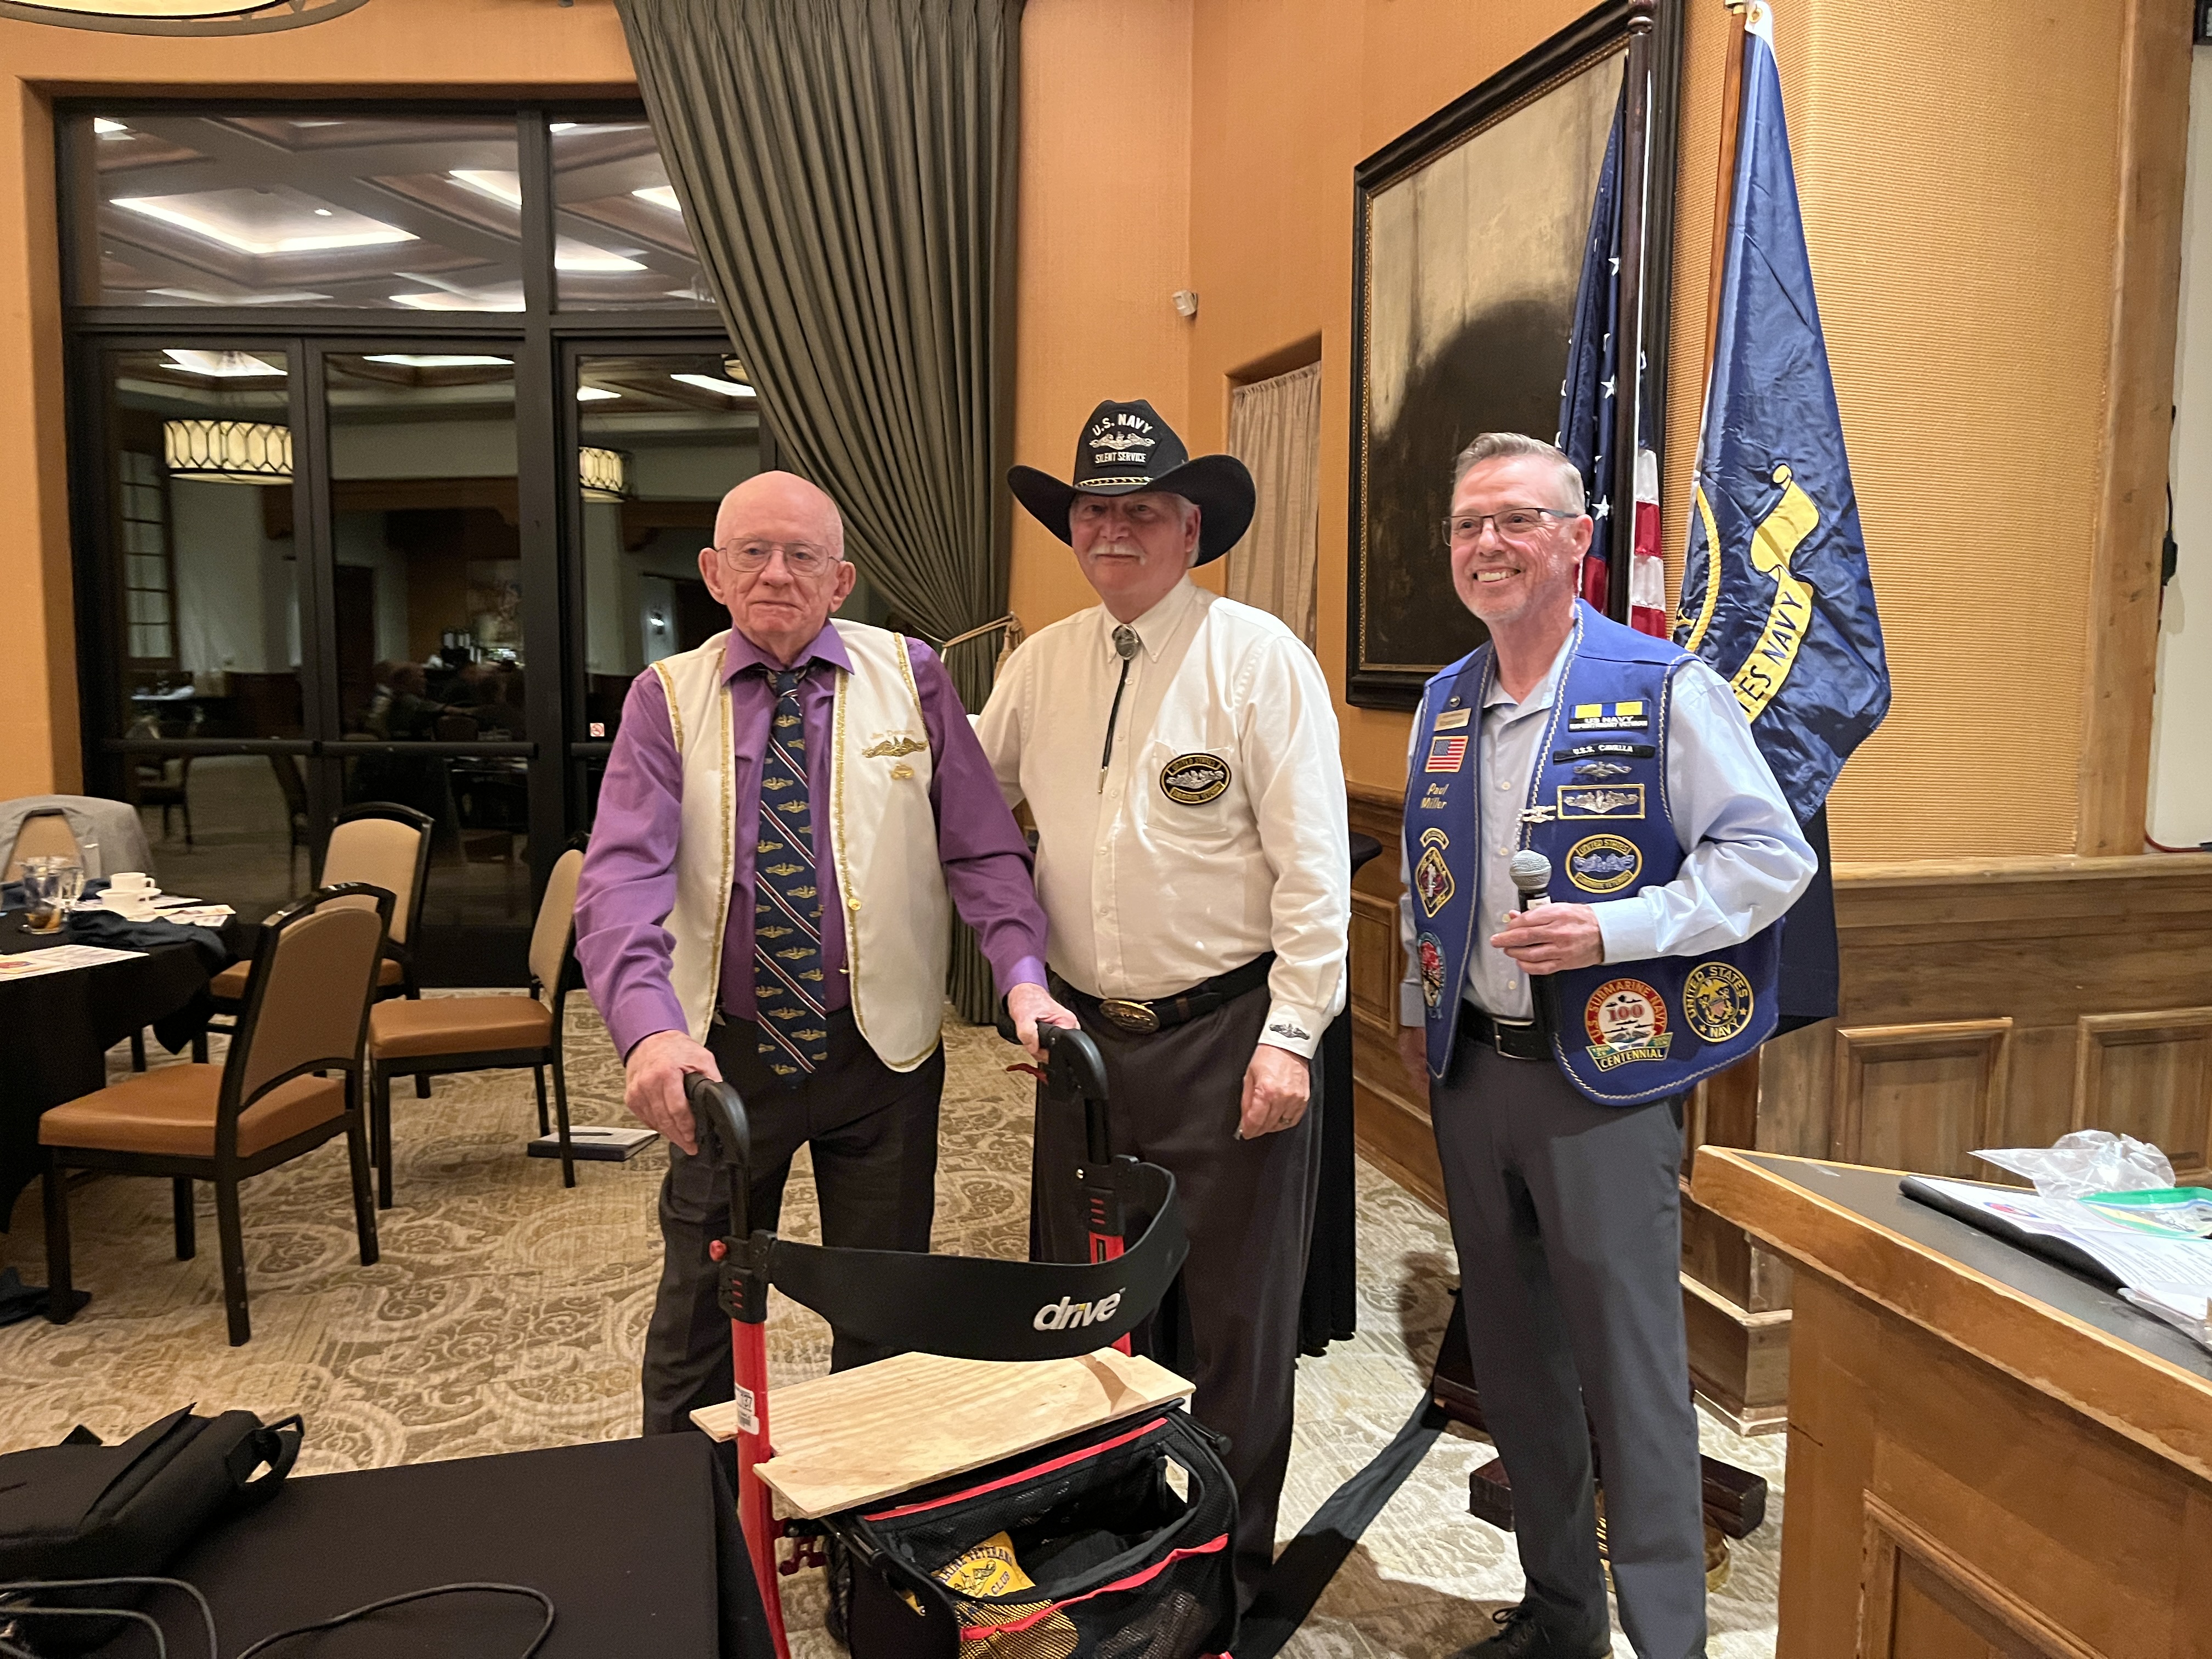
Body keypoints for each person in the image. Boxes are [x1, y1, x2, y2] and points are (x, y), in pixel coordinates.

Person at [1396, 433, 1814, 1659]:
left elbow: (1770, 856)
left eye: (1516, 519)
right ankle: (1561, 1618)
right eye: (1468, 524)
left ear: (1579, 539)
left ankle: (1669, 1639)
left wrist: (1618, 929)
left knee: (1633, 1380)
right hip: (1473, 1074)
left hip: (1604, 1087)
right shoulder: (1445, 701)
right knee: (1516, 1370)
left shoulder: (1666, 687)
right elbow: (1431, 877)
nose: (1487, 544)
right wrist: (1421, 1009)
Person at [575, 470, 1075, 1432]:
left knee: (887, 1313)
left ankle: (874, 1517)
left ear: (841, 581)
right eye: (753, 553)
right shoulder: (664, 699)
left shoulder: (914, 676)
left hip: (881, 1057)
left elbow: (982, 847)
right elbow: (621, 880)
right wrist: (647, 1033)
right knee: (699, 1317)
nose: (777, 574)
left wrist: (1021, 977)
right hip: (721, 1061)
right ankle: (689, 1513)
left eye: (802, 555)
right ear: (714, 573)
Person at [975, 398, 1350, 1605]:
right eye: (1095, 510)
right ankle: (1101, 1540)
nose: (1113, 530)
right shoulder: (1039, 665)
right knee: (1078, 1307)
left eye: (1142, 510)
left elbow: (1315, 870)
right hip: (1082, 1048)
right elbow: (965, 806)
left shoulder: (1259, 658)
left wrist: (1292, 1035)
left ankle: (1218, 1577)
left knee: (1237, 1328)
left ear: (1192, 530)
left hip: (1228, 1038)